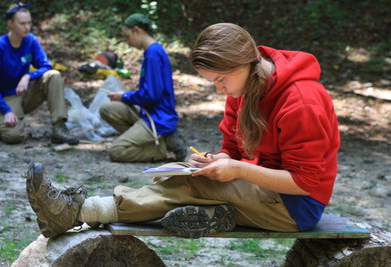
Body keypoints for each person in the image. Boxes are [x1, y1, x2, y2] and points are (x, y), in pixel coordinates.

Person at [24, 23, 340, 239]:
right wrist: (219, 160)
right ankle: (217, 214)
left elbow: (305, 181)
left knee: (191, 188)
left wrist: (236, 169)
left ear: (243, 64)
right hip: (263, 187)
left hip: (297, 207)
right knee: (182, 178)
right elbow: (232, 145)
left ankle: (77, 211)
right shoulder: (243, 88)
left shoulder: (301, 100)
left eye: (220, 80)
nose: (219, 91)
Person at [99, 13, 186, 162]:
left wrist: (125, 96)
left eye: (127, 36)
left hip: (158, 119)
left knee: (117, 151)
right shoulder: (152, 52)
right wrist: (124, 96)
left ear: (137, 30)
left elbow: (152, 95)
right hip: (148, 113)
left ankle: (163, 149)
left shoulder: (153, 54)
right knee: (107, 109)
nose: (128, 42)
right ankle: (147, 141)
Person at [0, 3, 78, 145]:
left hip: (24, 91)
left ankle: (59, 128)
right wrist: (5, 110)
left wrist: (28, 76)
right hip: (5, 98)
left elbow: (46, 66)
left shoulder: (30, 40)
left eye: (29, 23)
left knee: (53, 75)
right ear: (10, 24)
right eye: (22, 23)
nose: (27, 27)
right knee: (13, 136)